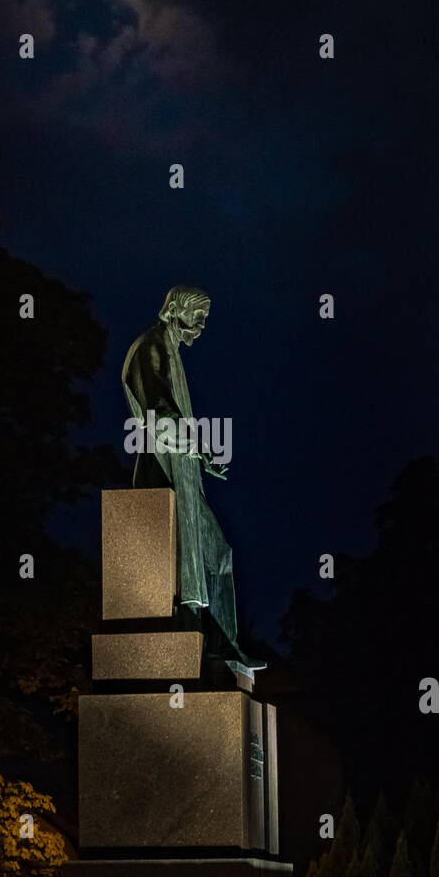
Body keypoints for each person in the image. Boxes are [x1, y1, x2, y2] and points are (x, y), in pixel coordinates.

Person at [121, 285, 264, 672]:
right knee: (203, 554)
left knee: (217, 552)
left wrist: (201, 458)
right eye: (197, 317)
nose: (201, 326)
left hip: (182, 471)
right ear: (174, 311)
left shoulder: (170, 352)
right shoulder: (149, 346)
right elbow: (158, 409)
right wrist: (198, 449)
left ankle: (220, 644)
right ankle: (205, 639)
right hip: (160, 470)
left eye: (204, 319)